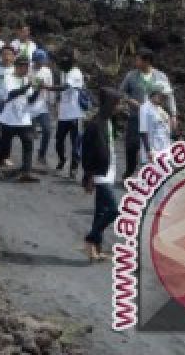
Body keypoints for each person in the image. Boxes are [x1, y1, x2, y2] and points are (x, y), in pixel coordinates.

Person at [119, 48, 176, 178]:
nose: (135, 62)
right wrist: (130, 100)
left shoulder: (161, 76)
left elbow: (170, 96)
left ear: (147, 61)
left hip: (154, 118)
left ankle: (151, 176)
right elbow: (122, 92)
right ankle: (129, 170)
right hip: (135, 115)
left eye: (138, 59)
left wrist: (173, 115)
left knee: (153, 145)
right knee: (132, 145)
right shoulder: (131, 76)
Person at [82, 89, 123, 262]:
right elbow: (86, 152)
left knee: (100, 213)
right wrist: (88, 176)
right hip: (99, 173)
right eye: (116, 103)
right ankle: (90, 238)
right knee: (114, 210)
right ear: (108, 104)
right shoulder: (94, 124)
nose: (119, 107)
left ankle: (95, 250)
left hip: (110, 170)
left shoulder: (108, 121)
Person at [0, 53, 41, 182]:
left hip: (24, 118)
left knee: (28, 144)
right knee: (4, 146)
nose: (26, 69)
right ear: (17, 67)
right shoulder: (7, 78)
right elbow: (11, 94)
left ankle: (26, 172)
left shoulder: (26, 79)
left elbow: (30, 100)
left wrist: (37, 90)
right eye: (24, 67)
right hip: (9, 119)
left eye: (27, 67)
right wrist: (29, 85)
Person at [54, 51, 85, 178]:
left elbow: (64, 87)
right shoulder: (63, 72)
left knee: (75, 143)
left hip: (75, 114)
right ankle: (62, 158)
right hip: (63, 114)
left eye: (63, 62)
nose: (60, 64)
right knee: (59, 140)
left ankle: (74, 167)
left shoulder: (75, 73)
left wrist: (48, 87)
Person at [28, 49, 54, 168]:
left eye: (42, 61)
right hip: (29, 107)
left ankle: (42, 154)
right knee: (29, 135)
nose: (41, 63)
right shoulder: (27, 70)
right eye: (38, 61)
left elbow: (50, 88)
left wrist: (52, 103)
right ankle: (27, 159)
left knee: (47, 130)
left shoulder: (47, 71)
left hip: (42, 106)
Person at [139, 88, 173, 165]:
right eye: (162, 96)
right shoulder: (145, 109)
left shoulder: (159, 107)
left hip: (164, 147)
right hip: (153, 149)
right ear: (154, 96)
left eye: (165, 97)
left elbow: (165, 125)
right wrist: (148, 151)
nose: (164, 99)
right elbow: (143, 131)